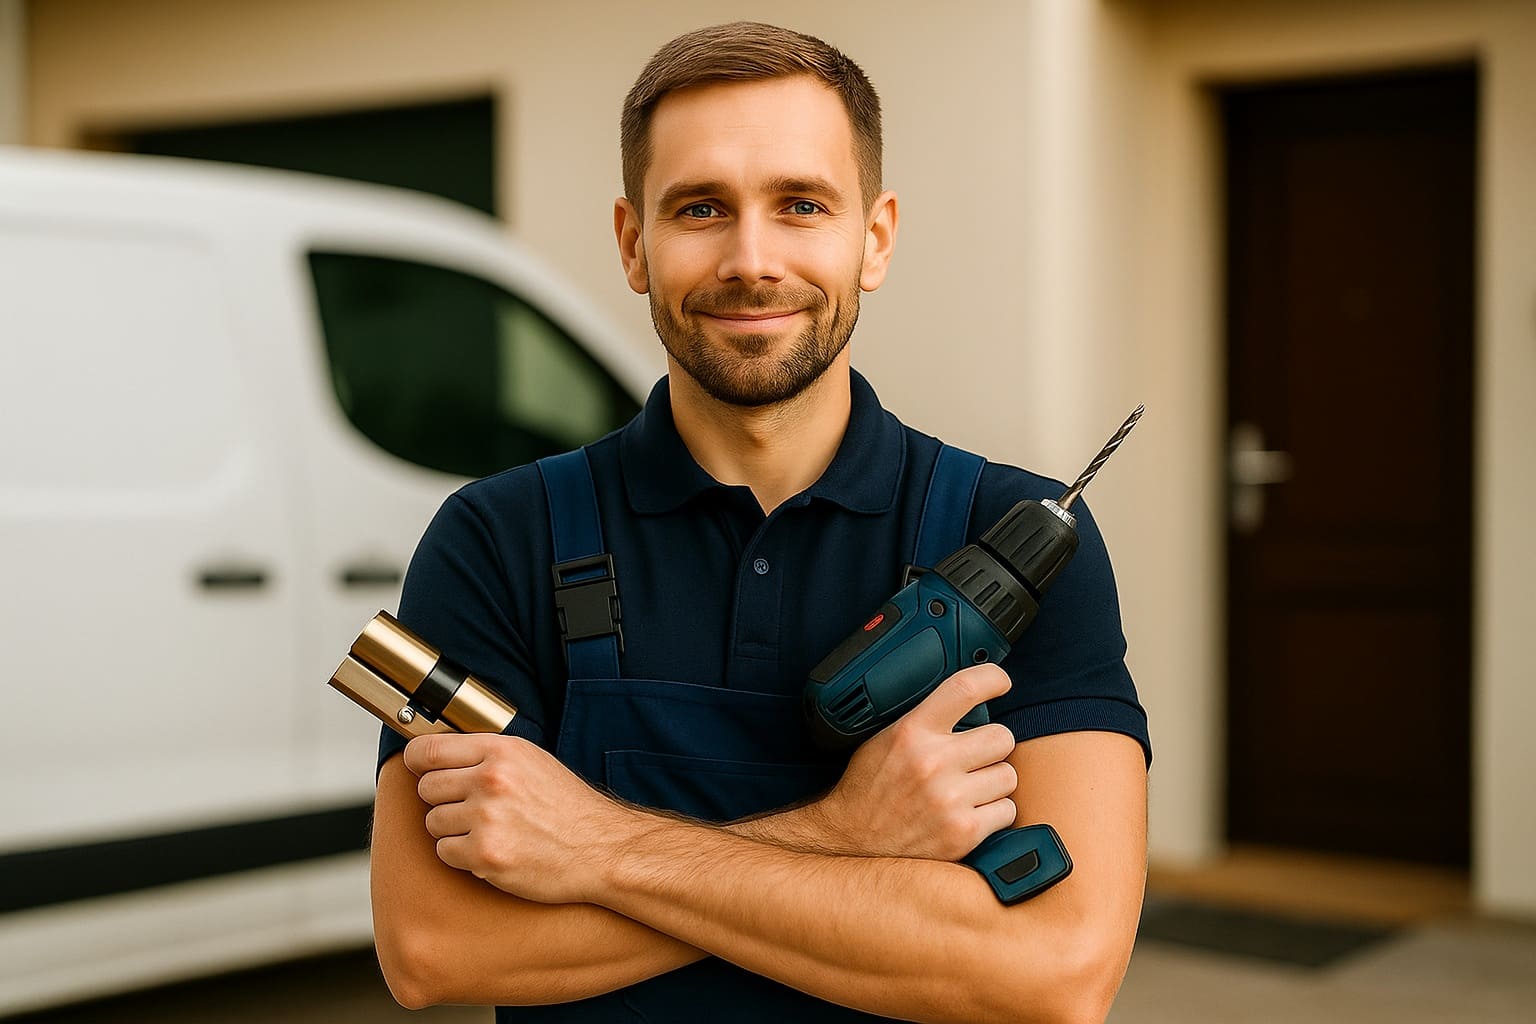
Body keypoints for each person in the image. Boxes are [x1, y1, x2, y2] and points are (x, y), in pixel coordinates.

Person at [371, 21, 1149, 1024]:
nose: (751, 259)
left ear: (874, 238)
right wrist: (843, 836)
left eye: (801, 205)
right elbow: (434, 947)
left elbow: (1059, 970)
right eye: (700, 207)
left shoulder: (1019, 539)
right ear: (632, 242)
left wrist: (595, 849)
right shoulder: (492, 539)